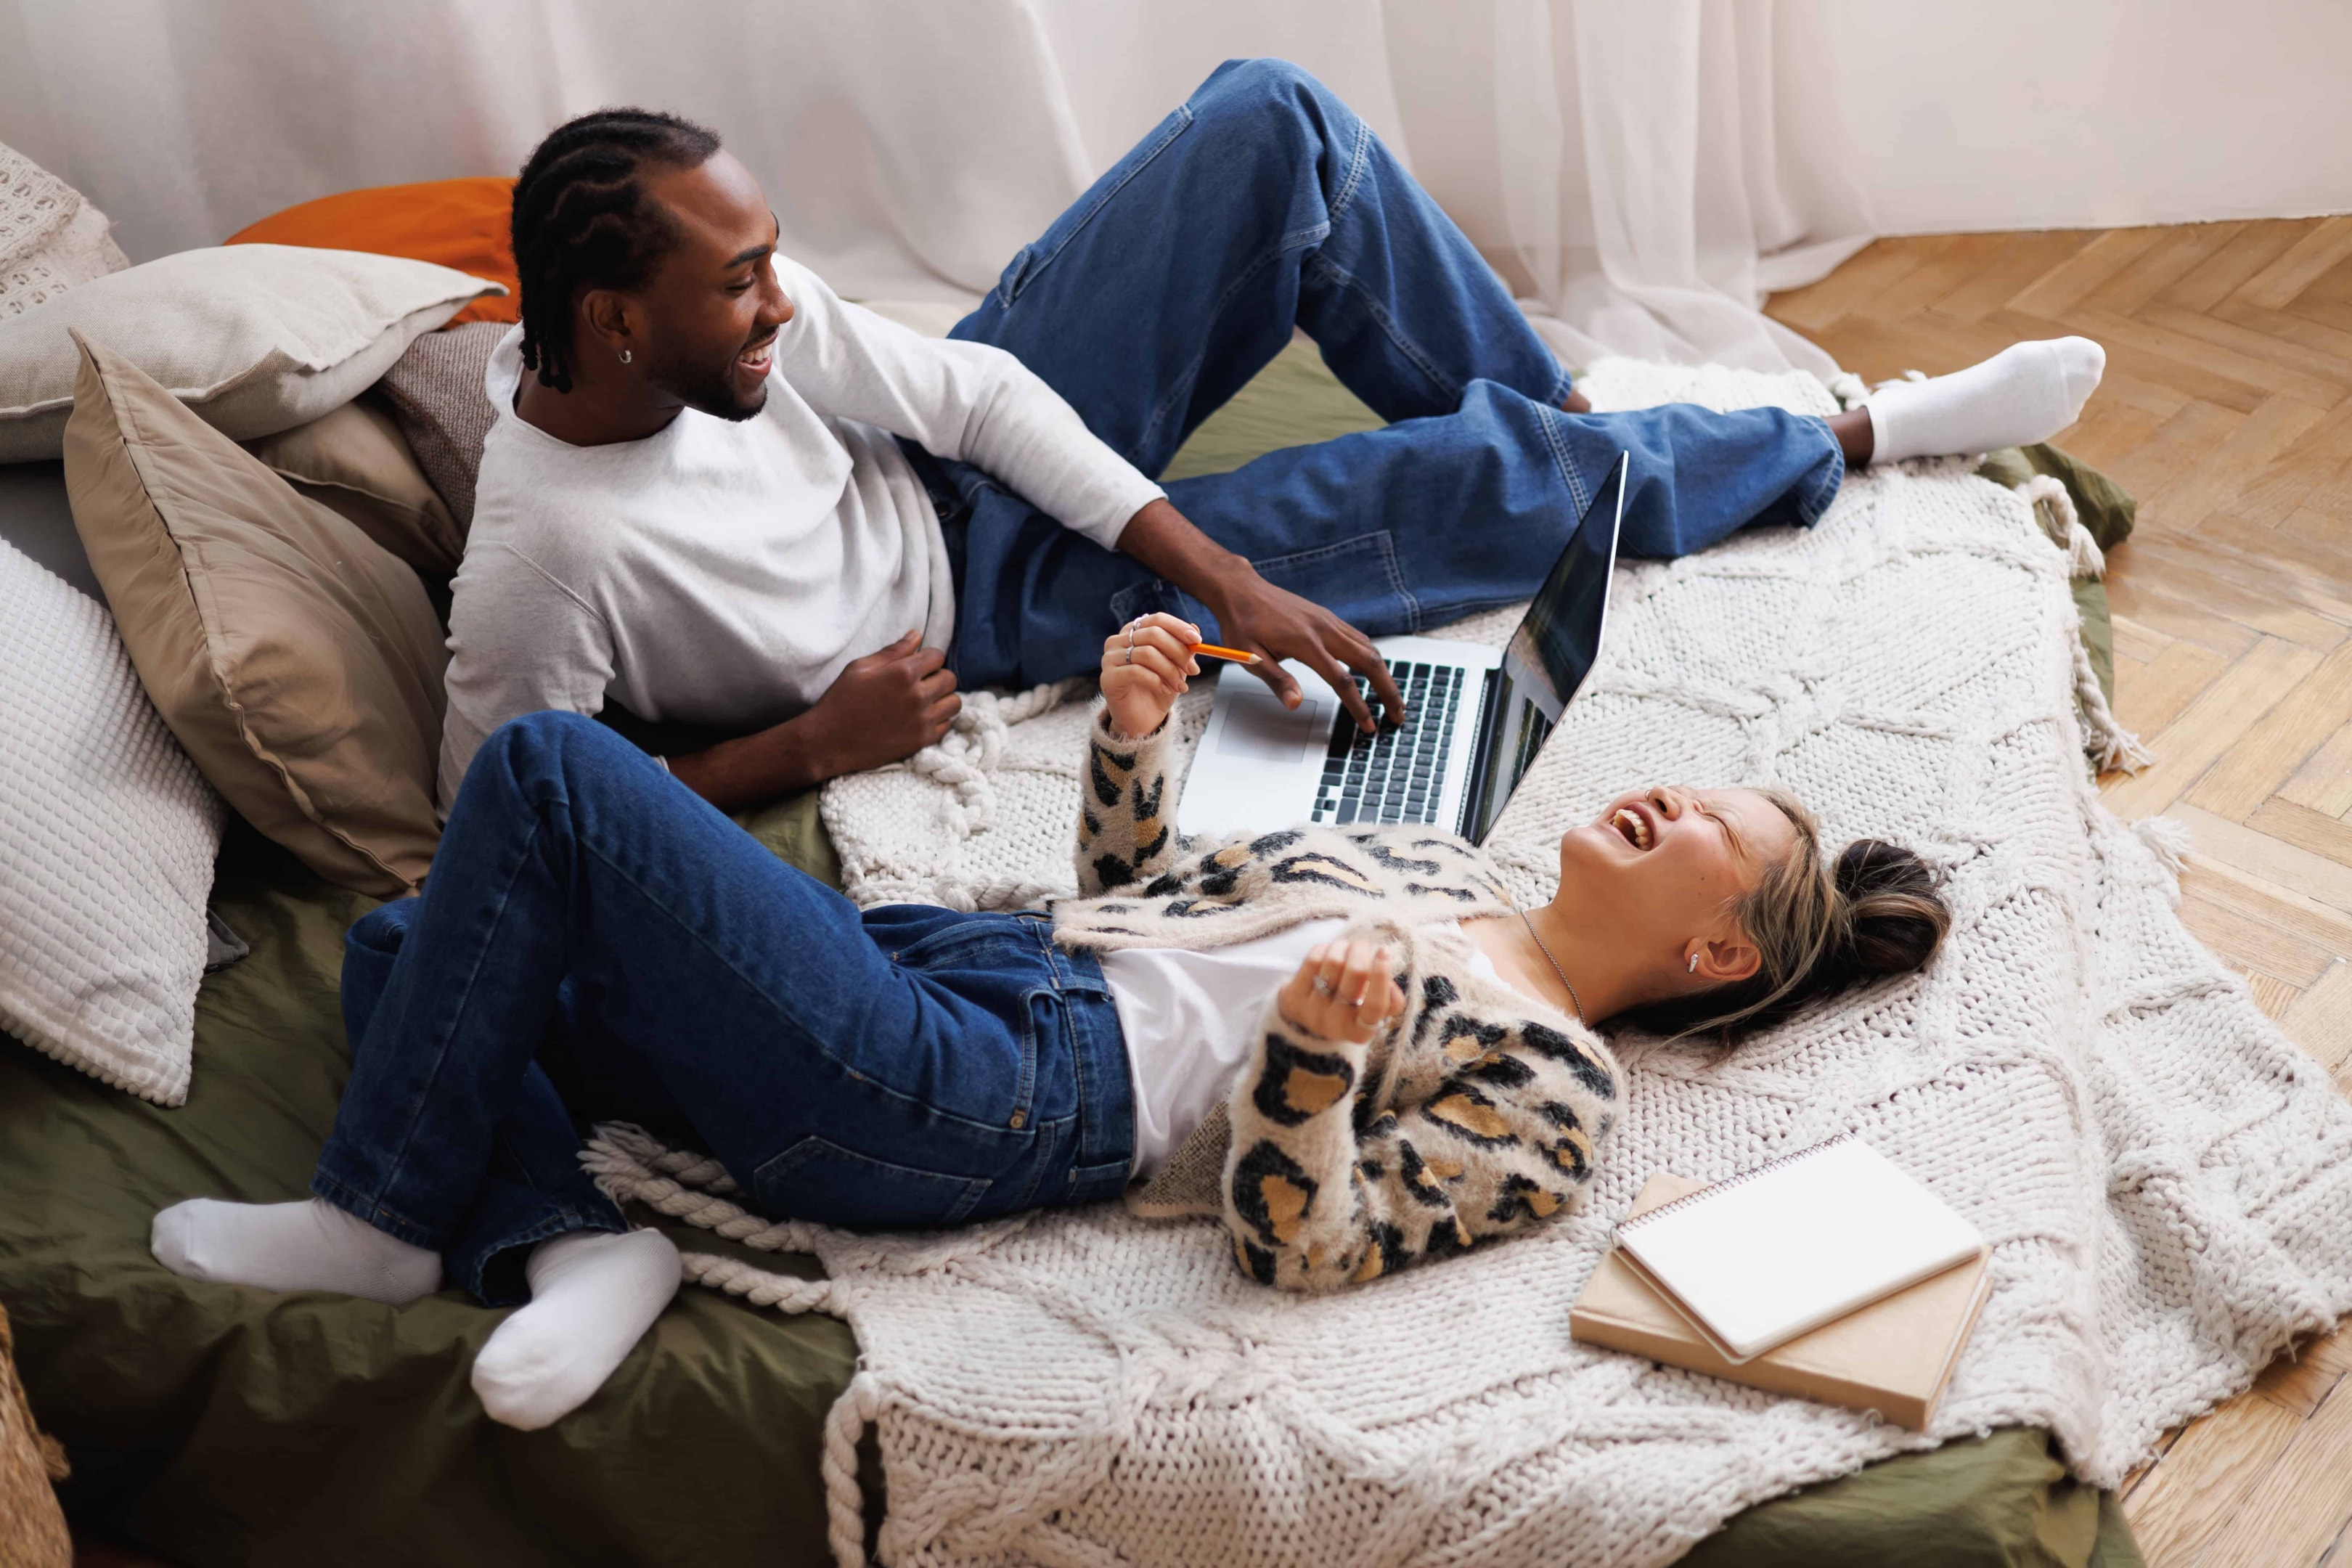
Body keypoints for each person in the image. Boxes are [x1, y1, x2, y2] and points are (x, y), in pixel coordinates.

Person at [152, 613, 1951, 1432]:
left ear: (1719, 955)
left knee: (550, 777)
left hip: (992, 1100)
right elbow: (1129, 901)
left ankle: (382, 1221)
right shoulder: (1431, 850)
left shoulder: (1551, 1096)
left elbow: (1299, 1246)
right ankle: (574, 1244)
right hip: (979, 977)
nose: (1674, 796)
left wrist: (1315, 1072)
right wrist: (1134, 744)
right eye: (1697, 784)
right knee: (418, 944)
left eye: (1721, 829)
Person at [439, 58, 2105, 812]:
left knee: (1271, 125)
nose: (779, 301)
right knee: (1471, 490)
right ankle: (1856, 432)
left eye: (768, 262)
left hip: (955, 487)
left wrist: (1218, 568)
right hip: (986, 618)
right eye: (740, 288)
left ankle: (1589, 405)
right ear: (614, 324)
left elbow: (972, 392)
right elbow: (498, 821)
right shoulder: (549, 559)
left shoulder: (730, 316)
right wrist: (801, 751)